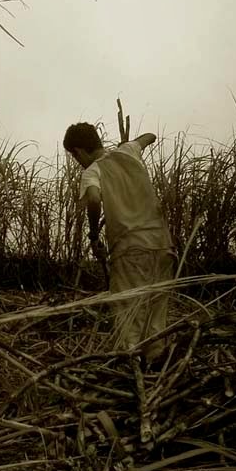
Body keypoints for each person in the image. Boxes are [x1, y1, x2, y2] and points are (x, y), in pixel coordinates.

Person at [63, 122, 175, 360]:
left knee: (129, 317)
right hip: (162, 244)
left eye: (75, 156)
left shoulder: (92, 171)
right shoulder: (128, 150)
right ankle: (156, 368)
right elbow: (151, 135)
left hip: (130, 250)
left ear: (78, 151)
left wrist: (94, 235)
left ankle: (132, 369)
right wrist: (132, 143)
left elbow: (93, 200)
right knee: (157, 315)